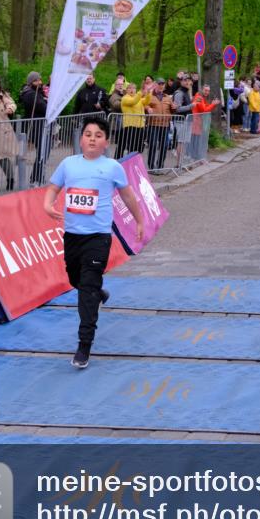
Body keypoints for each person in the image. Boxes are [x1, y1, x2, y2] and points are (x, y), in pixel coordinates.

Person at [44, 117, 144, 369]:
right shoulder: (68, 164)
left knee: (86, 291)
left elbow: (128, 196)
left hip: (98, 237)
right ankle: (98, 293)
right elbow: (53, 188)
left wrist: (139, 221)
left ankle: (84, 345)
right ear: (80, 139)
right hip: (72, 236)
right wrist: (48, 204)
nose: (92, 138)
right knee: (75, 280)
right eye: (88, 134)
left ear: (106, 142)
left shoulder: (111, 167)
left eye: (98, 135)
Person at [19, 71, 50, 185]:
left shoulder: (36, 92)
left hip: (40, 125)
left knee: (43, 152)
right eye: (37, 80)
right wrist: (48, 104)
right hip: (37, 126)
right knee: (43, 152)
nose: (40, 82)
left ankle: (38, 176)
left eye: (40, 80)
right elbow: (43, 107)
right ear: (31, 82)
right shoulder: (30, 94)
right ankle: (35, 178)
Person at [117, 81, 151, 158]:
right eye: (129, 88)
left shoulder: (138, 98)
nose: (132, 90)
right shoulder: (125, 98)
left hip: (140, 126)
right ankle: (124, 162)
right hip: (130, 126)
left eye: (134, 88)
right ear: (126, 90)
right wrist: (141, 92)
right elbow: (133, 102)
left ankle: (135, 162)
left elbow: (146, 101)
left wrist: (148, 93)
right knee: (129, 146)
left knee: (139, 147)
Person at [146, 78, 173, 171]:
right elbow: (144, 104)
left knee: (164, 146)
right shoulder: (149, 96)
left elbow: (172, 109)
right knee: (153, 145)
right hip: (153, 124)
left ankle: (160, 165)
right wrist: (148, 108)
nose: (161, 86)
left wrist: (174, 107)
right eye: (159, 84)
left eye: (163, 84)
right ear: (155, 85)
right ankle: (151, 166)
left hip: (165, 125)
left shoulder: (167, 97)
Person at [190, 84, 220, 159]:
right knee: (196, 139)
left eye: (208, 91)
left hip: (198, 121)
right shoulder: (199, 97)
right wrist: (213, 104)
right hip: (196, 121)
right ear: (202, 89)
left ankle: (195, 156)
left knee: (197, 139)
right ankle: (194, 157)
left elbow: (205, 107)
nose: (207, 92)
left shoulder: (202, 97)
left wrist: (212, 104)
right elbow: (204, 110)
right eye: (205, 90)